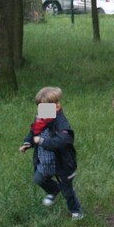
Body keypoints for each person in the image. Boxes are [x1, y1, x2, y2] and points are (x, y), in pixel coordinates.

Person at [20, 86, 83, 220]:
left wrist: (43, 142)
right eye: (39, 107)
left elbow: (65, 139)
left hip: (62, 163)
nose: (41, 110)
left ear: (55, 105)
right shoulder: (41, 118)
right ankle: (54, 190)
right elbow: (33, 132)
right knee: (38, 178)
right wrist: (28, 143)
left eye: (45, 107)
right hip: (45, 160)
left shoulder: (61, 121)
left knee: (67, 191)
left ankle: (76, 211)